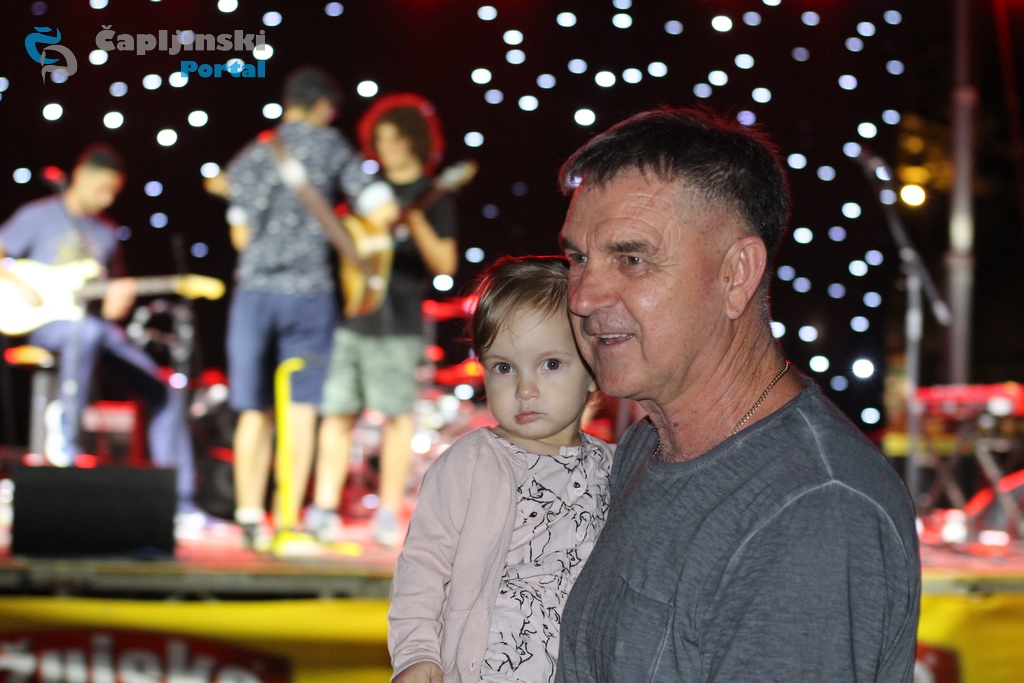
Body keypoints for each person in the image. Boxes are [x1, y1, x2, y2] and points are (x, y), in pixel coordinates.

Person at [554, 107, 921, 681]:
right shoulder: (648, 447)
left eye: (632, 258)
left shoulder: (813, 512)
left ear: (737, 274)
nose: (582, 296)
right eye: (578, 258)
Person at [389, 255, 614, 682]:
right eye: (504, 367)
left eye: (550, 364)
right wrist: (416, 652)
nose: (525, 389)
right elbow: (423, 564)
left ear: (592, 369)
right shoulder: (471, 463)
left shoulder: (615, 467)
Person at [225, 65, 397, 547]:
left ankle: (248, 516)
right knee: (301, 408)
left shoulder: (251, 156)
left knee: (253, 409)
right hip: (310, 294)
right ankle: (287, 519)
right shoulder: (330, 146)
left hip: (255, 293)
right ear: (323, 107)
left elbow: (240, 237)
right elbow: (382, 207)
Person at [0, 143, 200, 524]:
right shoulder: (37, 215)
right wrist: (19, 284)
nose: (107, 199)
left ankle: (182, 499)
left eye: (114, 192)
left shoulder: (106, 232)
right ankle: (66, 436)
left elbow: (108, 303)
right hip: (44, 323)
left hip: (95, 326)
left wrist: (117, 302)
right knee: (86, 332)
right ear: (80, 176)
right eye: (102, 189)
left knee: (165, 390)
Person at [308, 94, 457, 546]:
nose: (386, 148)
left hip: (399, 324)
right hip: (353, 318)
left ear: (414, 141)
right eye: (380, 140)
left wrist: (413, 221)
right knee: (336, 413)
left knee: (396, 417)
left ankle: (388, 513)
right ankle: (324, 509)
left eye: (395, 139)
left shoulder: (433, 196)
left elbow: (445, 265)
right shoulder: (366, 191)